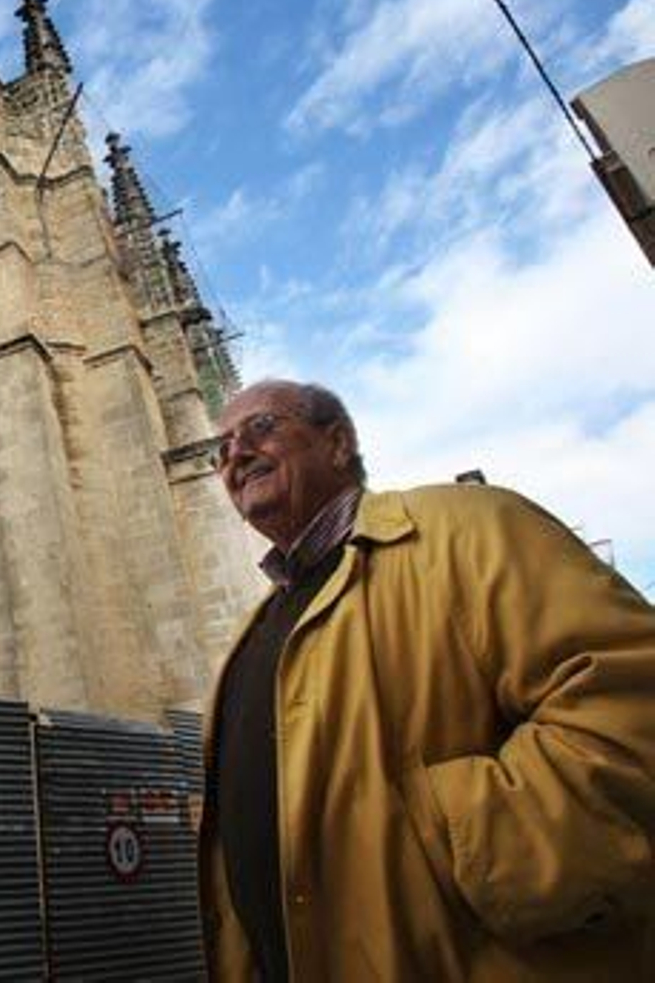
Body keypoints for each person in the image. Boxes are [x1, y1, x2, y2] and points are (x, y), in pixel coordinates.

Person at [199, 378, 655, 981]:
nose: (236, 455)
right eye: (221, 447)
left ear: (337, 444)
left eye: (261, 428)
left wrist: (448, 849)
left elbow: (628, 708)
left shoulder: (470, 526)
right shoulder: (254, 629)